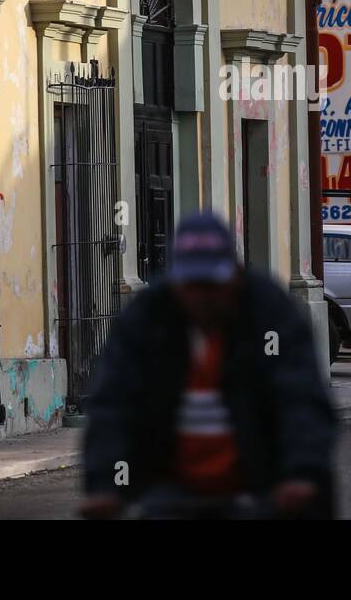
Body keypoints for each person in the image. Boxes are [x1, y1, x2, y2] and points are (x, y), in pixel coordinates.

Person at [79, 210, 336, 519]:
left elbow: (299, 396)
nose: (202, 297)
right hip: (168, 489)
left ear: (234, 277)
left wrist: (301, 472)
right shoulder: (147, 318)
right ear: (175, 282)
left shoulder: (268, 311)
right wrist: (104, 484)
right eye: (192, 286)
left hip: (258, 488)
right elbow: (114, 403)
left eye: (212, 285)